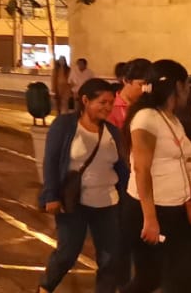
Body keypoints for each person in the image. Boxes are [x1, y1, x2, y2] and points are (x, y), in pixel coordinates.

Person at [37, 78, 128, 292]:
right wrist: (51, 195)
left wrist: (132, 194)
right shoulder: (65, 125)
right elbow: (50, 161)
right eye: (102, 102)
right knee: (67, 253)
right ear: (85, 100)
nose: (108, 107)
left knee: (110, 258)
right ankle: (45, 287)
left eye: (110, 102)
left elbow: (121, 168)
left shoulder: (113, 132)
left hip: (107, 203)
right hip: (73, 201)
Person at [122, 59, 191, 293]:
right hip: (153, 211)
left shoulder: (171, 118)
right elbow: (141, 169)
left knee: (185, 279)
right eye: (187, 85)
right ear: (177, 86)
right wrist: (150, 219)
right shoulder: (146, 118)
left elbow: (185, 159)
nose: (189, 91)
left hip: (178, 208)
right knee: (149, 279)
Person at [109, 59, 153, 129]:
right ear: (126, 80)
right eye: (141, 84)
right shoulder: (111, 108)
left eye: (148, 86)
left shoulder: (149, 105)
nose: (145, 89)